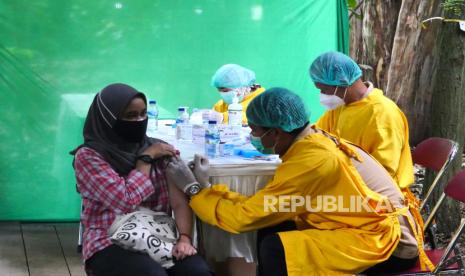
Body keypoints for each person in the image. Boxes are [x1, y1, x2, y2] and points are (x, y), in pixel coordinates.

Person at [165, 88, 427, 275]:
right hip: (369, 225)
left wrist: (195, 190)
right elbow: (265, 206)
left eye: (254, 129)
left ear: (276, 132)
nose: (251, 135)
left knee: (276, 248)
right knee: (273, 226)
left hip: (390, 246)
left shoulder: (310, 160)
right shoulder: (311, 140)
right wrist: (211, 191)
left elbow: (245, 217)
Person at [71, 83, 211, 276]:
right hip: (108, 239)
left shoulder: (159, 149)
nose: (139, 120)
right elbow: (125, 201)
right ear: (108, 118)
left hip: (158, 235)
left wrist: (185, 239)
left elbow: (179, 204)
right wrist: (144, 160)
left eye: (143, 113)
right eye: (130, 115)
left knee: (198, 272)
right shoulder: (89, 157)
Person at [309, 51, 414, 191]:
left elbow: (384, 173)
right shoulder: (341, 107)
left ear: (342, 83)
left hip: (379, 197)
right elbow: (317, 135)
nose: (322, 95)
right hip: (349, 183)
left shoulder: (383, 114)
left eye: (324, 89)